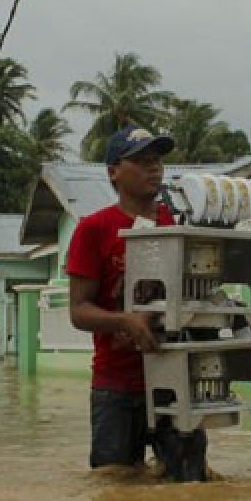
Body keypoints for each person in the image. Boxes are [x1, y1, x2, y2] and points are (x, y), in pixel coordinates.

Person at [66, 125, 208, 480]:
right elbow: (78, 310)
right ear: (113, 172)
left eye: (157, 160)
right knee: (114, 488)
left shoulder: (176, 226)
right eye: (141, 161)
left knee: (191, 484)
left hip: (174, 380)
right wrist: (126, 321)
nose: (154, 168)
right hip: (116, 387)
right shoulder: (94, 229)